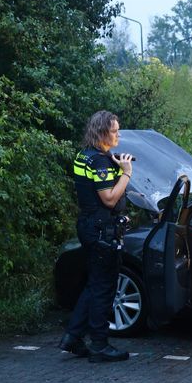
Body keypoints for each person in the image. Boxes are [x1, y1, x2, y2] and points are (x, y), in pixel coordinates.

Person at [59, 110, 133, 363]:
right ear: (102, 132)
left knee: (94, 284)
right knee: (104, 288)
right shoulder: (99, 162)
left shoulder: (86, 156)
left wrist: (115, 163)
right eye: (114, 131)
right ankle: (100, 345)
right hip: (102, 229)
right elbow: (110, 199)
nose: (118, 134)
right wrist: (126, 172)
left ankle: (73, 337)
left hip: (90, 226)